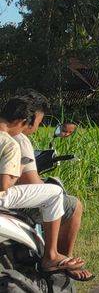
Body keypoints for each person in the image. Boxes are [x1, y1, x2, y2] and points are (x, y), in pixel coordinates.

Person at [0, 93, 87, 275]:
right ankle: (52, 256)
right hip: (4, 198)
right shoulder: (13, 142)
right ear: (24, 121)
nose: (37, 128)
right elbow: (6, 185)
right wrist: (16, 174)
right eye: (37, 123)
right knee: (55, 193)